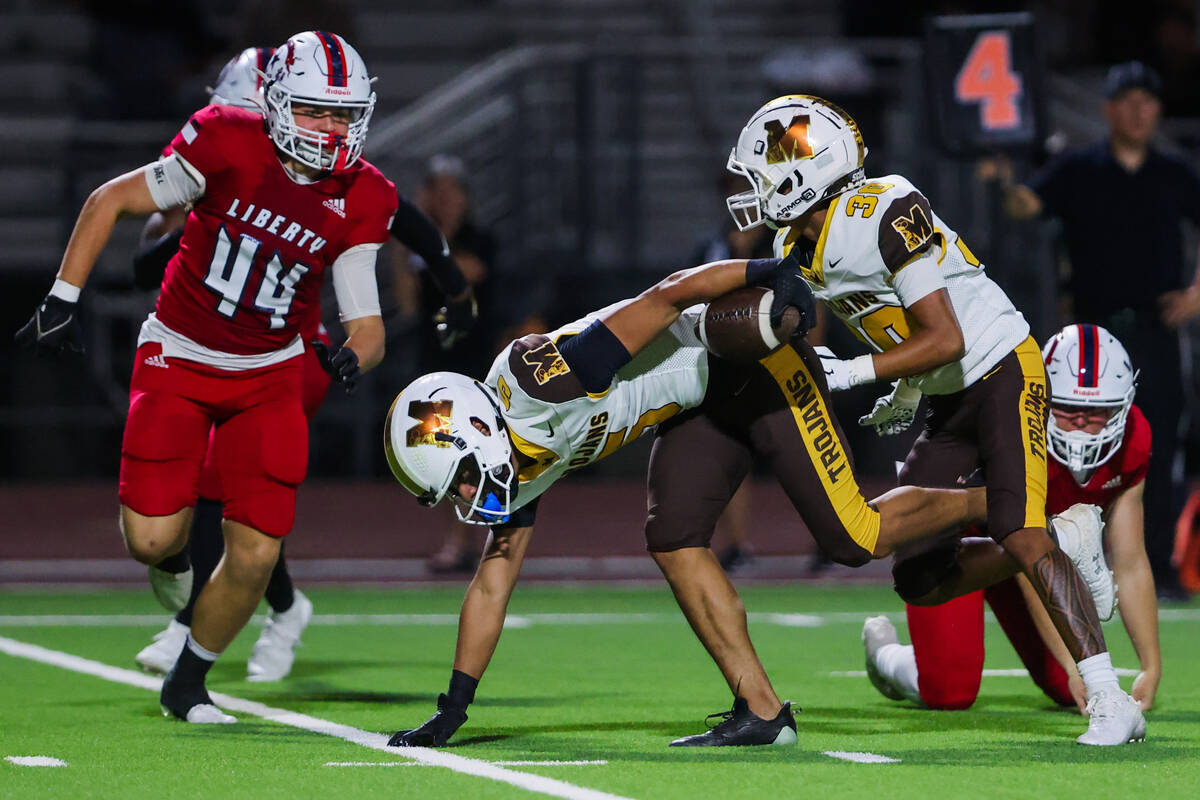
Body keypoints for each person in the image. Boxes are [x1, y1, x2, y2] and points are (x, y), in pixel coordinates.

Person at [726, 94, 1143, 745]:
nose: (754, 190)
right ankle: (1065, 538)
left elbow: (946, 335)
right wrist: (907, 387)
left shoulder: (886, 207)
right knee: (920, 578)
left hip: (1002, 367)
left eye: (766, 172)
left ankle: (1112, 699)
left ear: (807, 173)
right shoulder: (799, 245)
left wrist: (857, 373)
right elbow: (899, 323)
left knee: (1019, 527)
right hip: (949, 395)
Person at [16, 31, 398, 724]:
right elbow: (110, 200)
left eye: (343, 115)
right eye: (315, 111)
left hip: (270, 372)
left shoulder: (365, 194)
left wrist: (354, 353)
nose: (331, 129)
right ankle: (169, 570)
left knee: (256, 553)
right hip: (181, 354)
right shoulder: (226, 138)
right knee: (153, 541)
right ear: (278, 103)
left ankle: (188, 681)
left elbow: (365, 322)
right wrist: (60, 301)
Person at [129, 48, 476, 681]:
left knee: (227, 489)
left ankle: (196, 625)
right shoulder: (226, 150)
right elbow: (143, 262)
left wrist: (455, 288)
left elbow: (409, 220)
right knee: (222, 500)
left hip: (292, 354)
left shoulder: (332, 172)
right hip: (208, 350)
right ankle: (274, 607)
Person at [863, 324, 1162, 717]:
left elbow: (1130, 559)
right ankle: (885, 654)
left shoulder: (1133, 439)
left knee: (1062, 685)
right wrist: (1081, 666)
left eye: (1097, 414)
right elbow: (1028, 552)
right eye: (1069, 410)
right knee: (949, 691)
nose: (1081, 426)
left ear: (1122, 407)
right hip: (961, 543)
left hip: (1026, 552)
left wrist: (1150, 665)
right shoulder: (1016, 420)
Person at [995, 61, 1200, 602]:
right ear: (1109, 109)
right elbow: (1027, 205)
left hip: (1156, 330)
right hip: (1090, 335)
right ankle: (1071, 558)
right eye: (1128, 100)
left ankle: (1157, 563)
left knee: (1154, 447)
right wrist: (1000, 174)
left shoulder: (1176, 172)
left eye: (1148, 101)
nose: (1139, 110)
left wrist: (1197, 293)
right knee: (1071, 442)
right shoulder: (1079, 167)